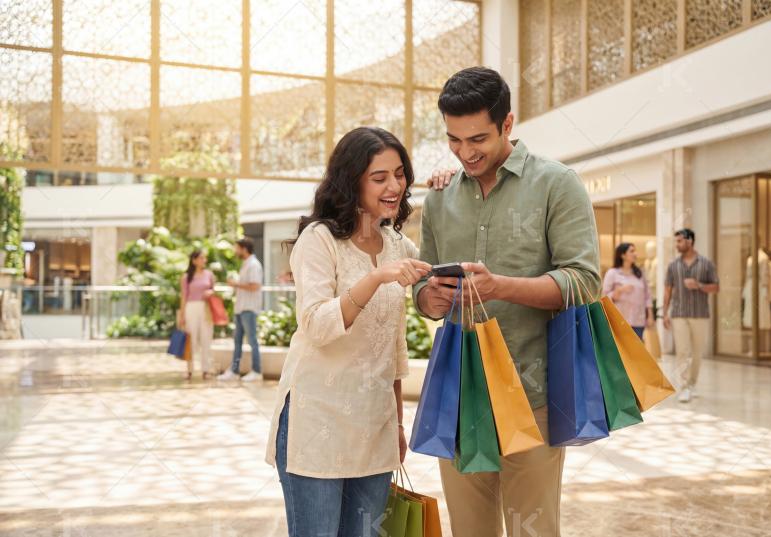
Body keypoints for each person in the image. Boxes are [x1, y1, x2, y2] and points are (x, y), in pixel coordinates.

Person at [417, 67, 600, 537]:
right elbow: (424, 285)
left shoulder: (556, 184)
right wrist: (428, 297)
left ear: (508, 123)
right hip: (461, 394)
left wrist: (499, 286)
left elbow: (584, 282)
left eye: (477, 138)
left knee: (533, 530)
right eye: (454, 140)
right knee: (469, 530)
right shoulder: (438, 198)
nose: (465, 153)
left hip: (534, 392)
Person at [264, 127, 431, 537]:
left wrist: (396, 424)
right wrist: (375, 279)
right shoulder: (319, 240)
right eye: (379, 177)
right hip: (316, 424)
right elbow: (317, 325)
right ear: (351, 181)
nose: (394, 186)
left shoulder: (396, 244)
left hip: (374, 428)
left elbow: (392, 344)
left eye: (399, 174)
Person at [663, 228, 719, 403]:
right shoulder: (673, 266)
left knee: (697, 352)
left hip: (700, 314)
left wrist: (699, 285)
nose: (677, 245)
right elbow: (667, 291)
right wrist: (664, 313)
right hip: (679, 313)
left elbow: (716, 287)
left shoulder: (706, 264)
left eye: (680, 241)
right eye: (676, 241)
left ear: (690, 241)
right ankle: (684, 386)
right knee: (682, 351)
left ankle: (692, 384)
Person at [218, 237, 264, 382]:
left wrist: (236, 284)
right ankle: (234, 370)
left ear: (244, 249)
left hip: (249, 309)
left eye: (237, 248)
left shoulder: (254, 265)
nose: (235, 251)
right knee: (237, 341)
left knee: (252, 341)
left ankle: (256, 371)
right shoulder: (246, 264)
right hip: (241, 309)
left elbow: (255, 286)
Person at [602, 242, 654, 340]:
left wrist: (650, 316)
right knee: (620, 349)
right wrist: (619, 290)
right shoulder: (612, 273)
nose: (635, 254)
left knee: (636, 348)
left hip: (638, 320)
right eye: (632, 251)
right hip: (619, 321)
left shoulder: (640, 273)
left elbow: (647, 296)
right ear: (623, 255)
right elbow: (604, 297)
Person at [178, 250, 215, 380]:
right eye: (201, 258)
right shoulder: (186, 277)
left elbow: (213, 290)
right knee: (191, 339)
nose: (204, 260)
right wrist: (182, 315)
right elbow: (183, 296)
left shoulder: (209, 274)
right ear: (194, 260)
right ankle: (189, 369)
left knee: (206, 337)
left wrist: (210, 292)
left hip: (206, 308)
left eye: (204, 258)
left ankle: (206, 370)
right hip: (191, 308)